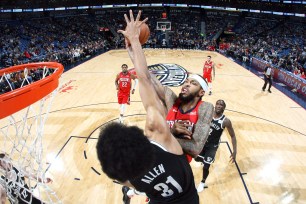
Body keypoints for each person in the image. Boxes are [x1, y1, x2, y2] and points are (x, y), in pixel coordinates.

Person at [96, 10, 199, 204]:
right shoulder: (157, 133)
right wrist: (135, 42)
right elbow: (144, 79)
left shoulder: (128, 178)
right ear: (135, 135)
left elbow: (117, 175)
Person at [195, 100, 237, 192]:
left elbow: (233, 136)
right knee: (197, 159)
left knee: (206, 166)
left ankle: (202, 182)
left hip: (212, 146)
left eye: (221, 105)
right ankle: (203, 159)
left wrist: (234, 152)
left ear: (223, 108)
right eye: (217, 104)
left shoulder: (225, 121)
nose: (218, 106)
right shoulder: (208, 115)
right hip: (202, 142)